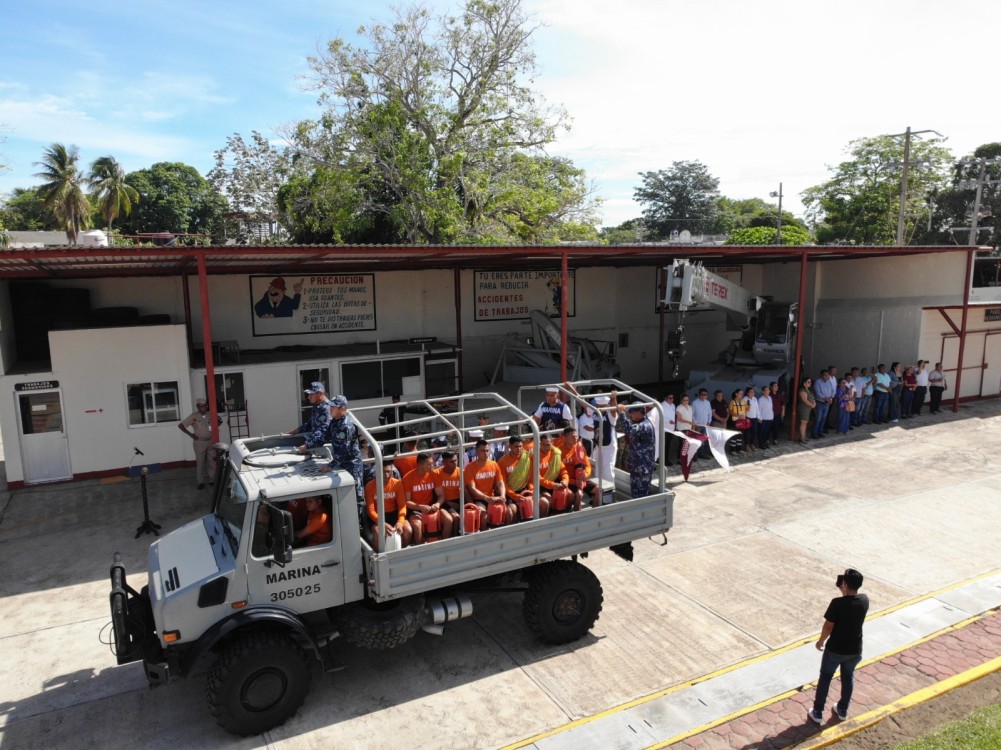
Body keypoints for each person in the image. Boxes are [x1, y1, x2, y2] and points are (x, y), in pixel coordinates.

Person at [808, 568, 869, 725]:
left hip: (835, 650)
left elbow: (828, 626)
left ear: (845, 584)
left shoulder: (837, 604)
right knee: (847, 678)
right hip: (855, 650)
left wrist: (820, 641)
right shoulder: (864, 601)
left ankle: (817, 711)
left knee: (825, 678)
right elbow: (853, 599)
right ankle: (842, 709)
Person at [319, 395, 365, 517]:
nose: (330, 409)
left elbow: (343, 450)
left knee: (355, 496)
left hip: (352, 465)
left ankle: (358, 524)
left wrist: (330, 466)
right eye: (331, 406)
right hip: (342, 463)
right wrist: (308, 445)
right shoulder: (335, 422)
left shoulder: (346, 425)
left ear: (342, 409)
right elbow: (325, 437)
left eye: (333, 407)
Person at [365, 459, 412, 551]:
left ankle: (401, 552)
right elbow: (371, 511)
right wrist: (382, 524)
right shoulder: (370, 486)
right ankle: (380, 558)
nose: (386, 475)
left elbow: (402, 506)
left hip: (393, 514)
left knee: (408, 530)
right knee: (379, 534)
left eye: (388, 472)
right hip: (378, 517)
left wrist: (400, 522)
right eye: (383, 472)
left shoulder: (397, 484)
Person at [497, 435, 548, 520]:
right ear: (509, 446)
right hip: (511, 493)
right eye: (516, 446)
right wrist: (514, 496)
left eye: (520, 446)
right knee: (512, 509)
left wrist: (531, 491)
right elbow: (503, 484)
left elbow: (532, 478)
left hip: (526, 490)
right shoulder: (502, 461)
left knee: (544, 503)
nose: (519, 449)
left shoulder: (528, 457)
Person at [403, 453, 450, 543]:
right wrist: (420, 507)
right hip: (415, 509)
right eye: (429, 464)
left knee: (448, 520)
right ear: (420, 465)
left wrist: (437, 504)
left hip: (431, 506)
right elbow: (407, 502)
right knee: (417, 526)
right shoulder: (407, 478)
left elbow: (441, 495)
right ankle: (422, 552)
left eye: (432, 463)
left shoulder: (433, 474)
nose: (432, 466)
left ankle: (444, 546)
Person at [615, 402, 656, 499]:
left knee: (641, 497)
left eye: (632, 413)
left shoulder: (645, 425)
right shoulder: (639, 423)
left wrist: (621, 414)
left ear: (639, 413)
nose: (630, 415)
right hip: (637, 467)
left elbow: (628, 430)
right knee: (635, 496)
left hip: (642, 469)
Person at [463, 439, 506, 528]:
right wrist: (486, 498)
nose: (485, 453)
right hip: (479, 500)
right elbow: (472, 489)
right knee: (483, 516)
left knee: (508, 512)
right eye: (482, 451)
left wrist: (503, 495)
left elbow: (500, 483)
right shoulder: (470, 467)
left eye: (487, 451)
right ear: (476, 452)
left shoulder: (494, 465)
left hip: (492, 498)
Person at [178, 397, 219, 489]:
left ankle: (211, 479)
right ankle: (200, 482)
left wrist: (214, 429)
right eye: (201, 406)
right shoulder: (194, 416)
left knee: (211, 462)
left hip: (210, 441)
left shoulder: (210, 414)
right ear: (197, 407)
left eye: (204, 406)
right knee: (200, 463)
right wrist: (191, 435)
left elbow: (219, 421)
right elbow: (181, 425)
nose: (203, 408)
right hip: (199, 443)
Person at [558, 426, 601, 509]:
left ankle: (595, 514)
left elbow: (587, 465)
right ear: (565, 437)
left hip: (581, 479)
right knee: (579, 495)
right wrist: (575, 482)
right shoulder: (559, 451)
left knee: (598, 490)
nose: (575, 438)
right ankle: (578, 515)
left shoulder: (580, 448)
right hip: (569, 481)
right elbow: (559, 475)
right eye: (573, 436)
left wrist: (586, 475)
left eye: (576, 436)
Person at [289, 381, 332, 452]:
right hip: (316, 443)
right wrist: (297, 430)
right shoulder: (317, 406)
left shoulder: (326, 409)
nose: (308, 397)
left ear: (320, 394)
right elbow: (310, 423)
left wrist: (307, 445)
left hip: (326, 447)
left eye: (311, 394)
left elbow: (323, 432)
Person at [432, 450, 463, 533]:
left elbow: (465, 491)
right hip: (443, 503)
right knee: (455, 518)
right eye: (451, 462)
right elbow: (435, 494)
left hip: (458, 500)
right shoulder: (436, 473)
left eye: (456, 460)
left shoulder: (461, 472)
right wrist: (447, 502)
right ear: (444, 462)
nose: (455, 463)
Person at [590, 395, 618, 483]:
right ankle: (599, 490)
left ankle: (609, 491)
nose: (600, 408)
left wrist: (614, 398)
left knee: (608, 469)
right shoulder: (595, 414)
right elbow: (584, 405)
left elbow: (614, 410)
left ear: (607, 406)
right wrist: (573, 390)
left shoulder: (610, 415)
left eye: (602, 406)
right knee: (598, 468)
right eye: (598, 406)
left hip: (609, 445)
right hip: (599, 445)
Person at [812, 370, 835, 439]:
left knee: (823, 419)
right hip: (820, 403)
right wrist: (826, 399)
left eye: (828, 375)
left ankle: (820, 432)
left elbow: (832, 391)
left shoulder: (829, 382)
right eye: (825, 375)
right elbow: (818, 393)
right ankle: (814, 433)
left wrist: (831, 398)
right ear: (821, 375)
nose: (827, 376)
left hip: (827, 403)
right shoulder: (817, 382)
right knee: (818, 419)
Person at [798, 376, 816, 444]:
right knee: (803, 422)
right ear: (804, 383)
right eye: (808, 382)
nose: (810, 383)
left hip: (809, 408)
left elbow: (812, 398)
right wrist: (812, 405)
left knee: (806, 422)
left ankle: (804, 436)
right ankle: (802, 437)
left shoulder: (809, 390)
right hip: (804, 408)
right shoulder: (802, 390)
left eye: (810, 382)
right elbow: (804, 400)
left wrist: (814, 404)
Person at [660, 393, 676, 466]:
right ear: (665, 398)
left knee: (668, 444)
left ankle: (666, 459)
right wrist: (668, 421)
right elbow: (661, 416)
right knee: (664, 445)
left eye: (672, 398)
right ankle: (663, 460)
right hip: (664, 428)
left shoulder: (673, 405)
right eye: (670, 398)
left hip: (671, 428)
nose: (671, 400)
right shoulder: (662, 405)